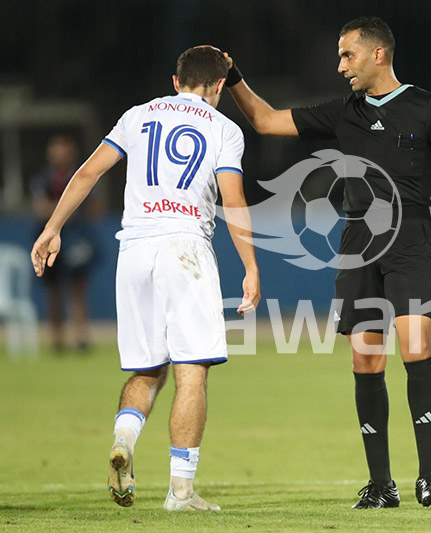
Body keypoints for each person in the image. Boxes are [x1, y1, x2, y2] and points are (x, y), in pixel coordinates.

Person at [224, 16, 431, 508]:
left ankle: (429, 477)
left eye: (347, 55)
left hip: (410, 240)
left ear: (378, 54)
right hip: (358, 243)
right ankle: (381, 484)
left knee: (415, 346)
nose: (340, 65)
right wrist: (234, 77)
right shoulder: (344, 112)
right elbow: (264, 120)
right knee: (365, 358)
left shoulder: (427, 107)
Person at [31, 45, 261, 511]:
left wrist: (52, 228)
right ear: (219, 86)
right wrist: (251, 266)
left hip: (133, 248)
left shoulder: (138, 114)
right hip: (185, 247)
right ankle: (180, 490)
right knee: (191, 370)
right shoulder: (224, 128)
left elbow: (89, 171)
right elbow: (233, 198)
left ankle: (124, 441)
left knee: (147, 368)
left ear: (176, 81)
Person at [31, 135, 102, 352]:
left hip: (77, 238)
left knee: (78, 288)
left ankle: (81, 337)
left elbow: (95, 207)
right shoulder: (44, 178)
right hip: (50, 237)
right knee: (53, 290)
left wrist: (63, 213)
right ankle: (57, 339)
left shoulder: (82, 175)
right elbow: (40, 207)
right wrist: (67, 211)